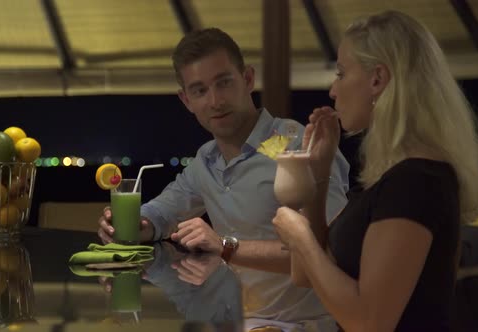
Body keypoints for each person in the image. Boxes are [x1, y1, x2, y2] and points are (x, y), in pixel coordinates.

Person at [98, 28, 350, 328]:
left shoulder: (299, 146)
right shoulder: (206, 160)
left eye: (224, 83)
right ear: (186, 100)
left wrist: (225, 245)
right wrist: (136, 224)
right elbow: (164, 209)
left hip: (300, 325)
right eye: (200, 90)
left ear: (247, 79)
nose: (215, 101)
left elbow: (333, 250)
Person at [272, 10, 478, 332]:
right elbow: (304, 275)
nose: (333, 90)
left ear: (377, 79)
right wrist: (318, 173)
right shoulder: (396, 177)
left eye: (341, 73)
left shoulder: (416, 181)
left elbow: (371, 323)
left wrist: (301, 239)